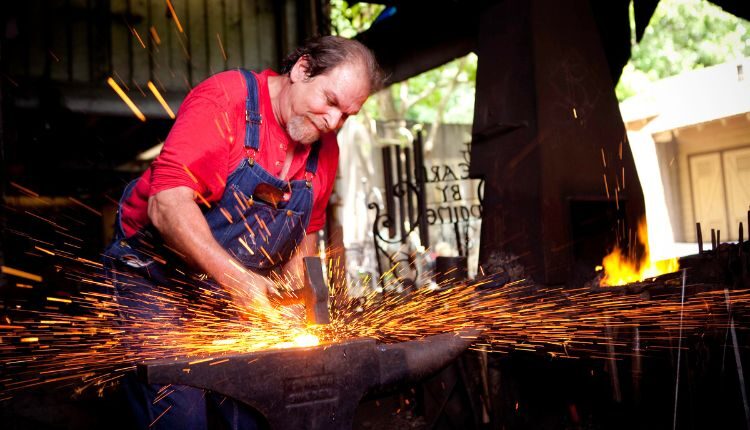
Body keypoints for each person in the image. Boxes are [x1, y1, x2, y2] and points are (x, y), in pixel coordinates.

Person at [103, 35, 383, 429]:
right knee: (182, 414)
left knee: (256, 410)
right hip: (156, 279)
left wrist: (298, 310)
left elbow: (305, 238)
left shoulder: (325, 148)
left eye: (347, 115)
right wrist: (239, 282)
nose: (333, 122)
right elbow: (166, 205)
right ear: (302, 70)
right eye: (331, 102)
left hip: (231, 291)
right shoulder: (225, 101)